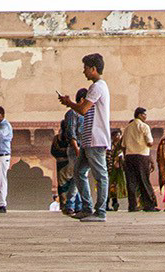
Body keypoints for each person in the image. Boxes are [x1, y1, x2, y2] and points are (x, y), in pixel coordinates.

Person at [57, 52, 110, 223]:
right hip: (89, 140)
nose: (84, 72)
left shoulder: (97, 87)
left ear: (94, 69)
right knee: (79, 172)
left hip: (96, 139)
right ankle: (87, 208)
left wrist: (69, 103)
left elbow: (83, 109)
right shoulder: (98, 86)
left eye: (86, 68)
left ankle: (100, 211)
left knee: (101, 175)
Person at [51, 92, 84, 214]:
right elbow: (71, 134)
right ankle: (72, 205)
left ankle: (72, 205)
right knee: (76, 180)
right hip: (71, 156)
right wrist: (75, 149)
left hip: (66, 160)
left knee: (77, 180)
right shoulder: (73, 114)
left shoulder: (59, 137)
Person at [122, 106, 158, 211]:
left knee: (131, 182)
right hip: (142, 156)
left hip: (129, 156)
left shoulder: (128, 127)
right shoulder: (144, 126)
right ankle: (149, 205)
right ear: (139, 115)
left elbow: (123, 145)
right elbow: (150, 142)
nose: (146, 116)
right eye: (144, 114)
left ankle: (133, 205)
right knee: (144, 180)